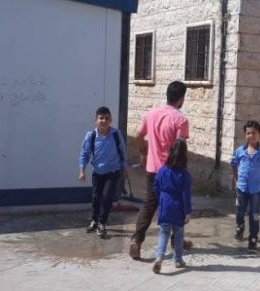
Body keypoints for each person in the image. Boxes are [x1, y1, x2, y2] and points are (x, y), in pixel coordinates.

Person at [130, 81, 190, 260]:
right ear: (181, 98)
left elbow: (139, 136)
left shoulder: (151, 113)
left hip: (153, 169)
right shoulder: (181, 119)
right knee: (177, 203)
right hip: (173, 171)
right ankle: (176, 240)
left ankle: (136, 240)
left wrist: (144, 153)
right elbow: (180, 146)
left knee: (150, 205)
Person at [78, 106, 129, 238]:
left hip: (113, 172)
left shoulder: (116, 135)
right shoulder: (91, 136)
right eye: (101, 118)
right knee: (96, 197)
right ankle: (94, 220)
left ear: (111, 120)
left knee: (107, 198)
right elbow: (84, 154)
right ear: (96, 120)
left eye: (107, 118)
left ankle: (102, 223)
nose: (104, 121)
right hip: (97, 173)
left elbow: (123, 152)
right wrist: (82, 170)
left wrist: (125, 168)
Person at [230, 120, 260, 251]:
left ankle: (253, 237)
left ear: (259, 134)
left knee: (254, 213)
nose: (251, 136)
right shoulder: (240, 151)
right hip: (241, 188)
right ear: (245, 135)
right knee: (240, 210)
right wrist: (236, 179)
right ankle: (240, 227)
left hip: (256, 189)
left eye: (254, 133)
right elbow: (233, 164)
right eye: (248, 133)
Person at [152, 138, 192, 274]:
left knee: (164, 232)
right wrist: (188, 212)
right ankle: (178, 259)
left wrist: (162, 198)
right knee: (178, 234)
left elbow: (156, 187)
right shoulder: (184, 175)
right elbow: (186, 195)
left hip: (165, 205)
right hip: (178, 207)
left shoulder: (162, 170)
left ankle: (159, 257)